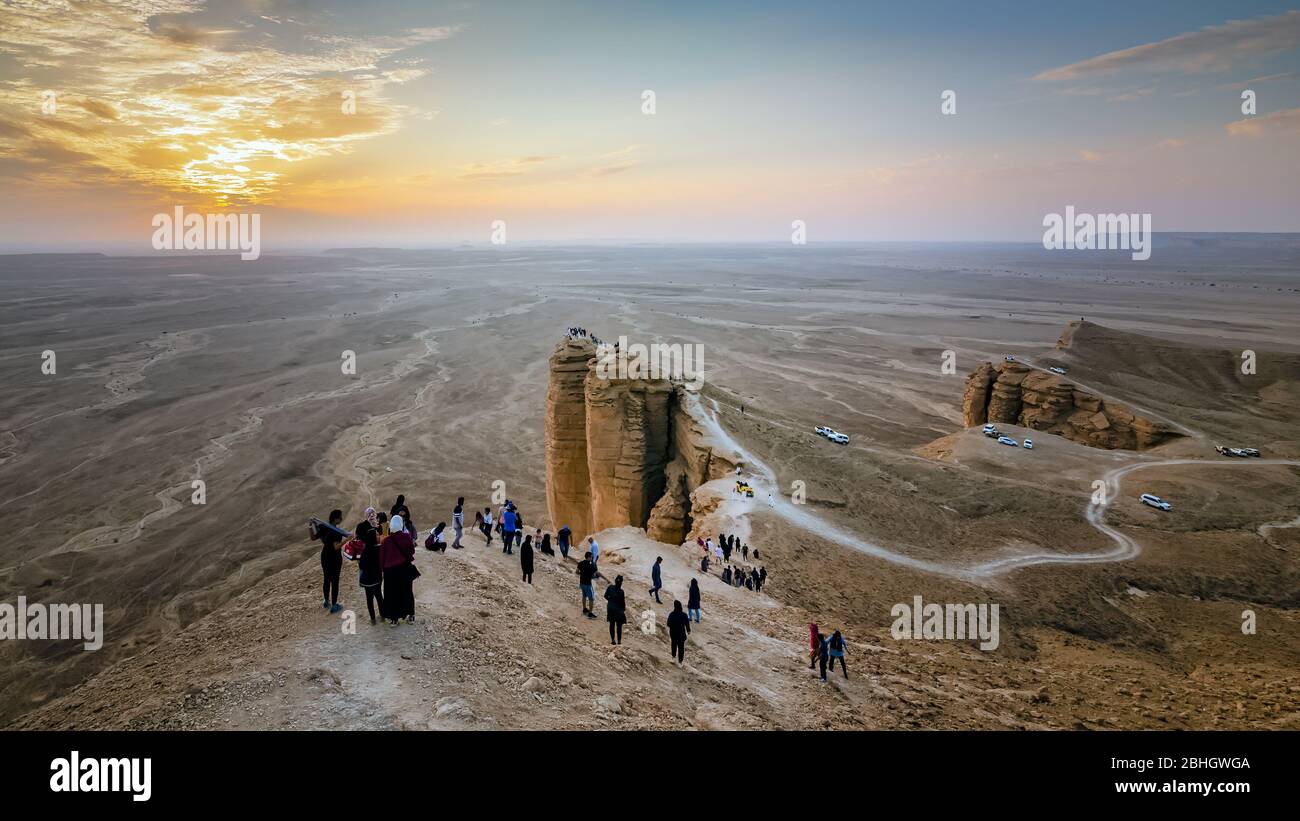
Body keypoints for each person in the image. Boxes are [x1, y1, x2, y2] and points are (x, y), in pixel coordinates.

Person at [380, 514, 418, 625]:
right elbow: (412, 551)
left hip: (390, 572)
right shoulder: (406, 537)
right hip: (404, 569)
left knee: (392, 594)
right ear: (401, 525)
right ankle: (411, 615)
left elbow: (382, 558)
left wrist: (382, 570)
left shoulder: (386, 541)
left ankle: (394, 619)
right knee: (407, 592)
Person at [313, 509, 346, 613]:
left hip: (325, 556)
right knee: (335, 581)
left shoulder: (324, 527)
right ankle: (334, 605)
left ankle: (326, 601)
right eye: (340, 517)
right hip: (334, 558)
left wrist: (310, 526)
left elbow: (313, 537)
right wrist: (348, 539)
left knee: (327, 579)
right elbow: (336, 547)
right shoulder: (336, 532)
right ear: (336, 519)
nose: (341, 519)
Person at [356, 519, 384, 624]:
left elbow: (362, 566)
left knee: (369, 598)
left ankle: (372, 619)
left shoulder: (363, 552)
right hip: (377, 578)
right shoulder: (378, 549)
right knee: (379, 596)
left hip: (366, 580)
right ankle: (382, 615)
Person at [604, 575, 627, 645]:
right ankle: (619, 641)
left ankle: (613, 640)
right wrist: (623, 610)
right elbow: (623, 603)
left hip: (610, 608)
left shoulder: (610, 587)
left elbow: (605, 596)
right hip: (618, 610)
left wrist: (610, 600)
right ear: (621, 583)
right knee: (619, 626)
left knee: (612, 624)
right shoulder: (621, 592)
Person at [578, 551, 597, 618]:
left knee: (584, 596)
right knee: (591, 599)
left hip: (581, 583)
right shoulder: (591, 565)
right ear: (589, 557)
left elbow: (577, 572)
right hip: (588, 584)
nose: (592, 558)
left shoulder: (580, 563)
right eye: (591, 557)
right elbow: (595, 574)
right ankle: (590, 613)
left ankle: (584, 609)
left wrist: (582, 574)